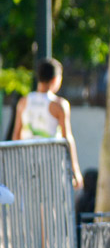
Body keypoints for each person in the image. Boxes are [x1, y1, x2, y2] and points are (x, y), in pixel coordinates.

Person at [12, 58, 83, 188]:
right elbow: (67, 137)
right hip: (52, 163)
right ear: (56, 79)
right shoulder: (59, 105)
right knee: (52, 203)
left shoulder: (23, 102)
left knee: (30, 202)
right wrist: (75, 170)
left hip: (27, 163)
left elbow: (16, 135)